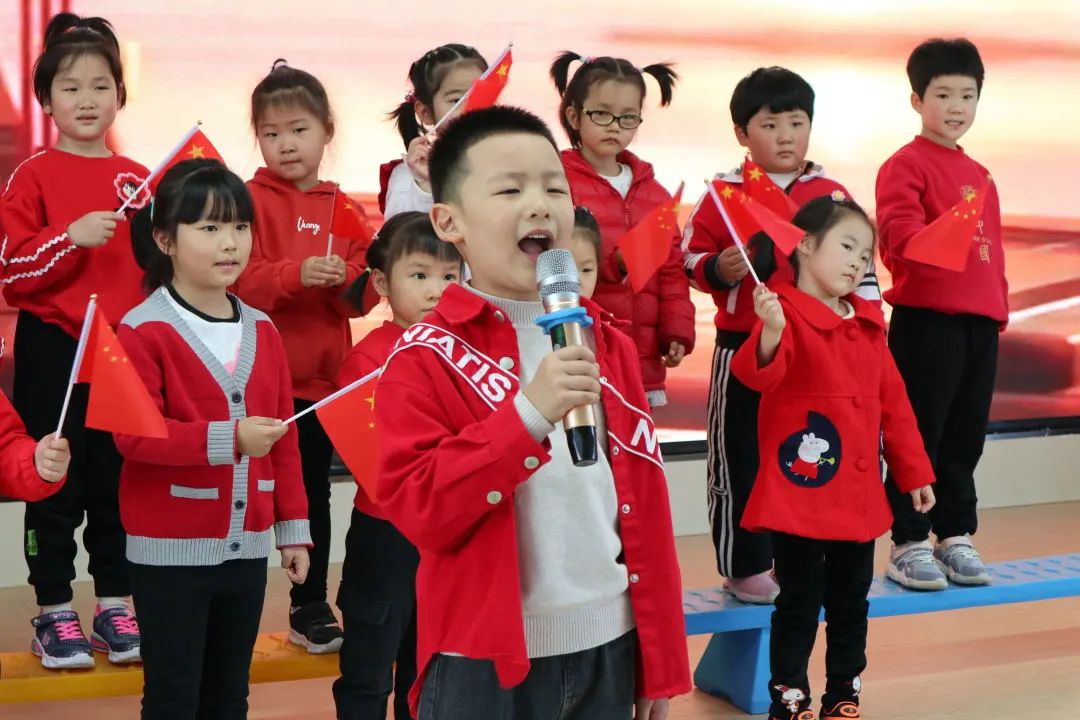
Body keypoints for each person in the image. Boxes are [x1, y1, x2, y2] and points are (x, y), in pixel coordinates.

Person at [373, 105, 690, 720]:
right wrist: (529, 414)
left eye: (554, 186)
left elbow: (645, 507)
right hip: (483, 663)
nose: (540, 204)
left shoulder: (609, 345)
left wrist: (662, 658)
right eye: (510, 189)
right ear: (449, 222)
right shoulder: (424, 357)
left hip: (610, 645)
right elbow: (421, 510)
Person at [117, 158, 311, 720]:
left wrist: (292, 531)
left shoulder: (264, 331)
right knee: (174, 696)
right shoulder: (140, 328)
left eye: (239, 227)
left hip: (246, 553)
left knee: (230, 695)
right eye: (208, 228)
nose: (230, 243)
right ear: (165, 240)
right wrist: (230, 439)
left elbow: (286, 443)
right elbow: (135, 437)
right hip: (169, 555)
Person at [732, 196, 935, 720]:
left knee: (851, 603)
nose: (857, 262)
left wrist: (913, 470)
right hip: (803, 493)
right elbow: (757, 375)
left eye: (866, 256)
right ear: (803, 244)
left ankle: (843, 694)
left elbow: (897, 406)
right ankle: (789, 698)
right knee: (799, 601)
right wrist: (771, 332)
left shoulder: (868, 323)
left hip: (860, 499)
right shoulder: (782, 313)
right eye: (847, 246)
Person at [681, 66, 875, 604]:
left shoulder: (832, 194)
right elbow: (687, 262)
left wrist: (865, 328)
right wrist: (718, 268)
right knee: (738, 455)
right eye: (770, 124)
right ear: (742, 133)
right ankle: (744, 565)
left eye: (797, 121)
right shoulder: (723, 193)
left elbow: (863, 266)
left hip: (818, 353)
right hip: (744, 345)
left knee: (806, 454)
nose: (787, 135)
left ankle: (801, 555)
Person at [0, 11, 147, 669]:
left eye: (100, 86)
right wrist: (69, 239)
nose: (87, 100)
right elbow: (12, 269)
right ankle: (53, 612)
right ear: (46, 100)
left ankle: (115, 607)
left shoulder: (143, 178)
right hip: (54, 347)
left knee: (119, 484)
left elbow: (167, 268)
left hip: (124, 355)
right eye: (70, 87)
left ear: (120, 93)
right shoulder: (31, 175)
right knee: (53, 479)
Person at [234, 59, 374, 652]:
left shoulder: (344, 208)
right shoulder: (244, 199)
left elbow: (363, 296)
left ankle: (309, 604)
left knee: (310, 492)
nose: (285, 144)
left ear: (326, 131)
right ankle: (225, 601)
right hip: (249, 380)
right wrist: (295, 274)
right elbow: (236, 278)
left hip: (318, 384)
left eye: (298, 129)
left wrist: (353, 278)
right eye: (271, 133)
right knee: (239, 491)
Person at [876, 38, 1006, 590]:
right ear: (916, 99)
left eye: (968, 95)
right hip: (928, 321)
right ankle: (908, 539)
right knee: (918, 433)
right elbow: (896, 240)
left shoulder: (980, 172)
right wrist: (939, 237)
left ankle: (955, 533)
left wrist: (997, 312)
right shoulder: (904, 165)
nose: (956, 106)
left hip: (979, 324)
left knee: (965, 435)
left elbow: (991, 254)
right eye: (943, 94)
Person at [333, 211, 463, 720]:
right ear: (383, 282)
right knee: (369, 662)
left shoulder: (465, 351)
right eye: (420, 275)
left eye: (450, 276)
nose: (437, 290)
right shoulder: (367, 359)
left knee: (427, 662)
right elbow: (365, 454)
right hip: (385, 533)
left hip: (445, 533)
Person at [552, 52, 694, 409]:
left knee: (634, 448)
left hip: (641, 359)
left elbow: (672, 270)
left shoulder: (653, 192)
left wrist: (676, 330)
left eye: (628, 117)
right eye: (602, 114)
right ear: (574, 116)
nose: (615, 125)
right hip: (580, 347)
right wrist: (613, 264)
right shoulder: (557, 183)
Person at [378, 44, 488, 218]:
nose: (471, 107)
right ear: (426, 113)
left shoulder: (506, 160)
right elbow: (400, 233)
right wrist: (429, 185)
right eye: (456, 100)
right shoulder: (409, 176)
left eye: (481, 95)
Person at [563, 206, 601, 299]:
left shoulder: (598, 314)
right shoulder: (527, 313)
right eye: (562, 269)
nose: (576, 282)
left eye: (586, 270)